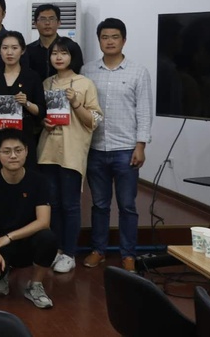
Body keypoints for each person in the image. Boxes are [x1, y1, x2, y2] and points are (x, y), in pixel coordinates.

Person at [82, 18, 153, 272]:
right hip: (96, 148)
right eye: (105, 37)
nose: (109, 41)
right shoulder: (87, 71)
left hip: (125, 149)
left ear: (123, 40)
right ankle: (98, 250)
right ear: (99, 40)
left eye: (114, 37)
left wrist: (140, 145)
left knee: (127, 206)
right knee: (100, 205)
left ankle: (128, 254)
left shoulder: (138, 72)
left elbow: (144, 111)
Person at [38, 38, 102, 274]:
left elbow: (94, 121)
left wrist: (76, 103)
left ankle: (69, 252)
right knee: (52, 204)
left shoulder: (85, 84)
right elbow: (41, 114)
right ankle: (55, 249)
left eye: (64, 53)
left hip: (72, 150)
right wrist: (43, 121)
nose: (58, 57)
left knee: (71, 205)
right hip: (47, 151)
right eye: (54, 53)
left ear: (73, 56)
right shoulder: (46, 83)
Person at [0, 129, 57, 309]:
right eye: (6, 151)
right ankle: (2, 274)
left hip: (26, 242)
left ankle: (35, 285)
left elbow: (43, 222)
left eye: (18, 150)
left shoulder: (39, 181)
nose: (13, 156)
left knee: (48, 238)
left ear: (26, 151)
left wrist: (9, 237)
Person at [0, 31, 46, 171]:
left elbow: (41, 111)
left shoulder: (32, 76)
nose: (9, 52)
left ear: (22, 50)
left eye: (14, 48)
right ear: (0, 51)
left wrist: (26, 103)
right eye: (5, 48)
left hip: (25, 135)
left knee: (27, 175)